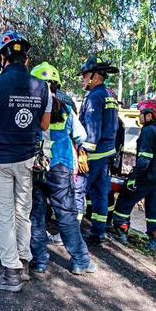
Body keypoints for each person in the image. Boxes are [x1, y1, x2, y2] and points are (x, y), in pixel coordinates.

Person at [0, 31, 51, 292]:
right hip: (27, 160)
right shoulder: (43, 87)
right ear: (26, 60)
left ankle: (10, 274)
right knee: (23, 214)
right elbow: (43, 124)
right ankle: (25, 264)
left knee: (4, 217)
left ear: (2, 59)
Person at [28, 62, 96, 275]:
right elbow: (81, 136)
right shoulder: (66, 110)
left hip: (35, 169)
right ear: (56, 86)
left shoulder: (28, 109)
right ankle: (80, 262)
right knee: (66, 216)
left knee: (36, 217)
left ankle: (39, 262)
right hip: (60, 170)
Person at [111, 100, 156, 250]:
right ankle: (154, 238)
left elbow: (144, 160)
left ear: (149, 115)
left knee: (125, 199)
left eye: (141, 113)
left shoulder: (148, 131)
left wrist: (132, 178)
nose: (139, 116)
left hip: (147, 176)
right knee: (154, 206)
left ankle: (121, 230)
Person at [78, 56, 119, 245]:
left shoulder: (95, 97)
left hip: (93, 154)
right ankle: (98, 232)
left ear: (95, 76)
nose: (83, 79)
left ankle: (71, 233)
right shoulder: (109, 94)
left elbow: (92, 128)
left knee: (78, 191)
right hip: (107, 152)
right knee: (100, 193)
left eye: (85, 75)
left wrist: (84, 152)